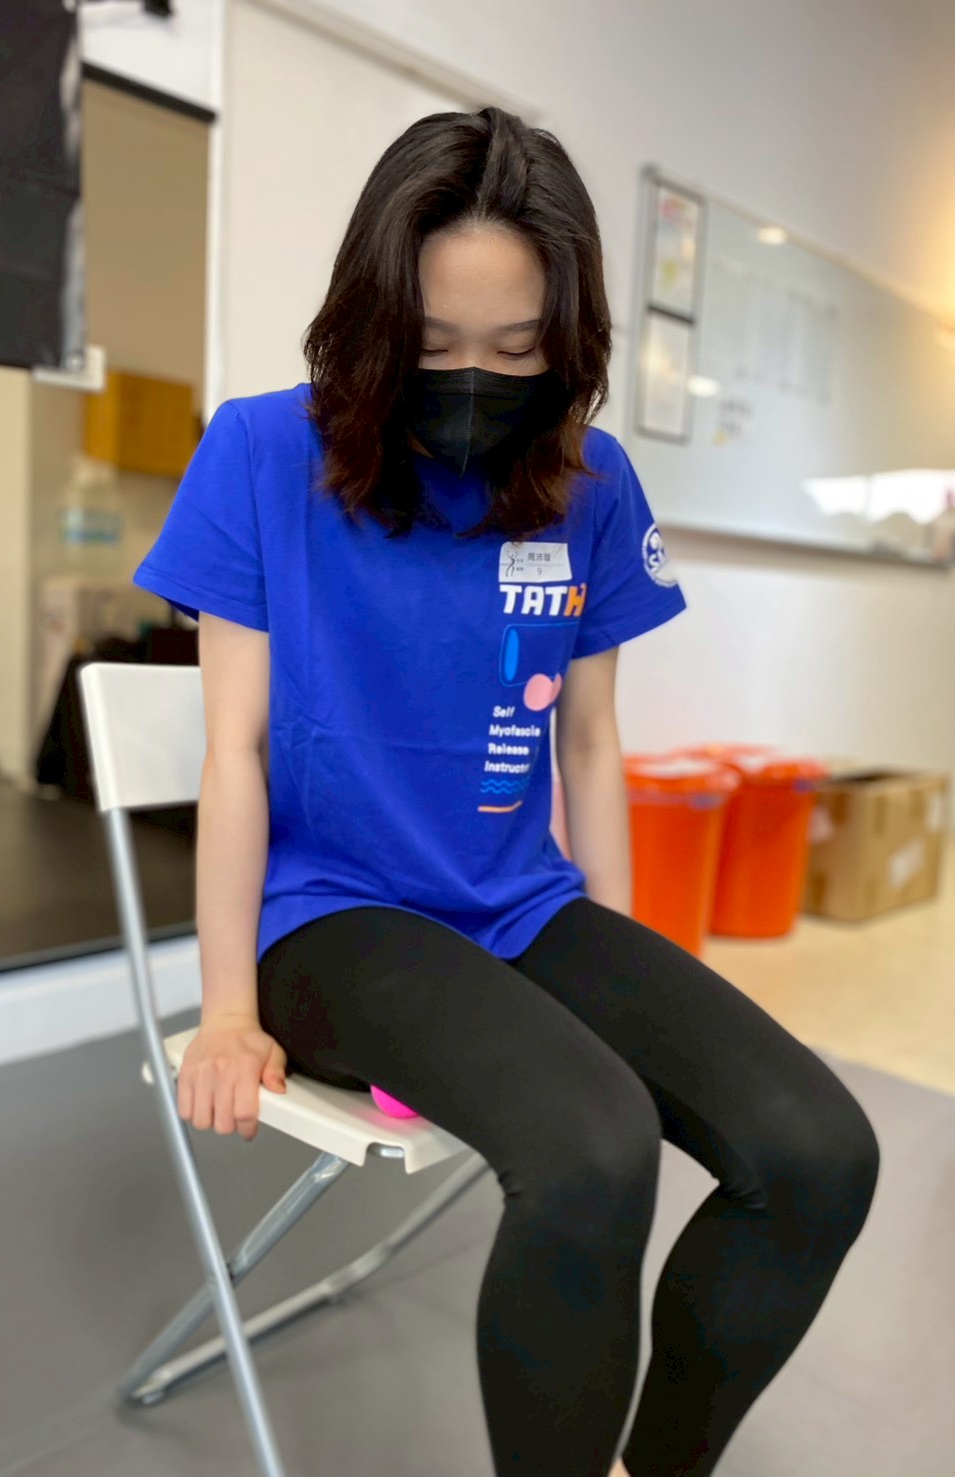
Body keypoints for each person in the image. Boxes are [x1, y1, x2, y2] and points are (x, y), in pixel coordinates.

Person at [133, 108, 880, 1477]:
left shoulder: (589, 482)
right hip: (331, 919)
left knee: (818, 1152)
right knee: (595, 1147)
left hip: (519, 907)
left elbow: (589, 745)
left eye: (517, 348)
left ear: (567, 342)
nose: (473, 377)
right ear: (374, 319)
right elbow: (231, 752)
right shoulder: (258, 453)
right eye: (433, 345)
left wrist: (634, 972)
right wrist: (227, 1010)